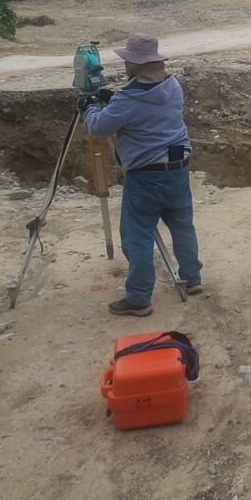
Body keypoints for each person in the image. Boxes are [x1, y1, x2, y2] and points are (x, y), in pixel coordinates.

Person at [80, 33, 202, 317]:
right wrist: (114, 101)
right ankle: (193, 279)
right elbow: (146, 108)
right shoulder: (173, 86)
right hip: (178, 165)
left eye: (127, 61)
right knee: (182, 226)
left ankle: (138, 298)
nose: (125, 66)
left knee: (137, 235)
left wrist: (90, 108)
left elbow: (98, 127)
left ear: (135, 64)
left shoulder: (128, 99)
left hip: (147, 174)